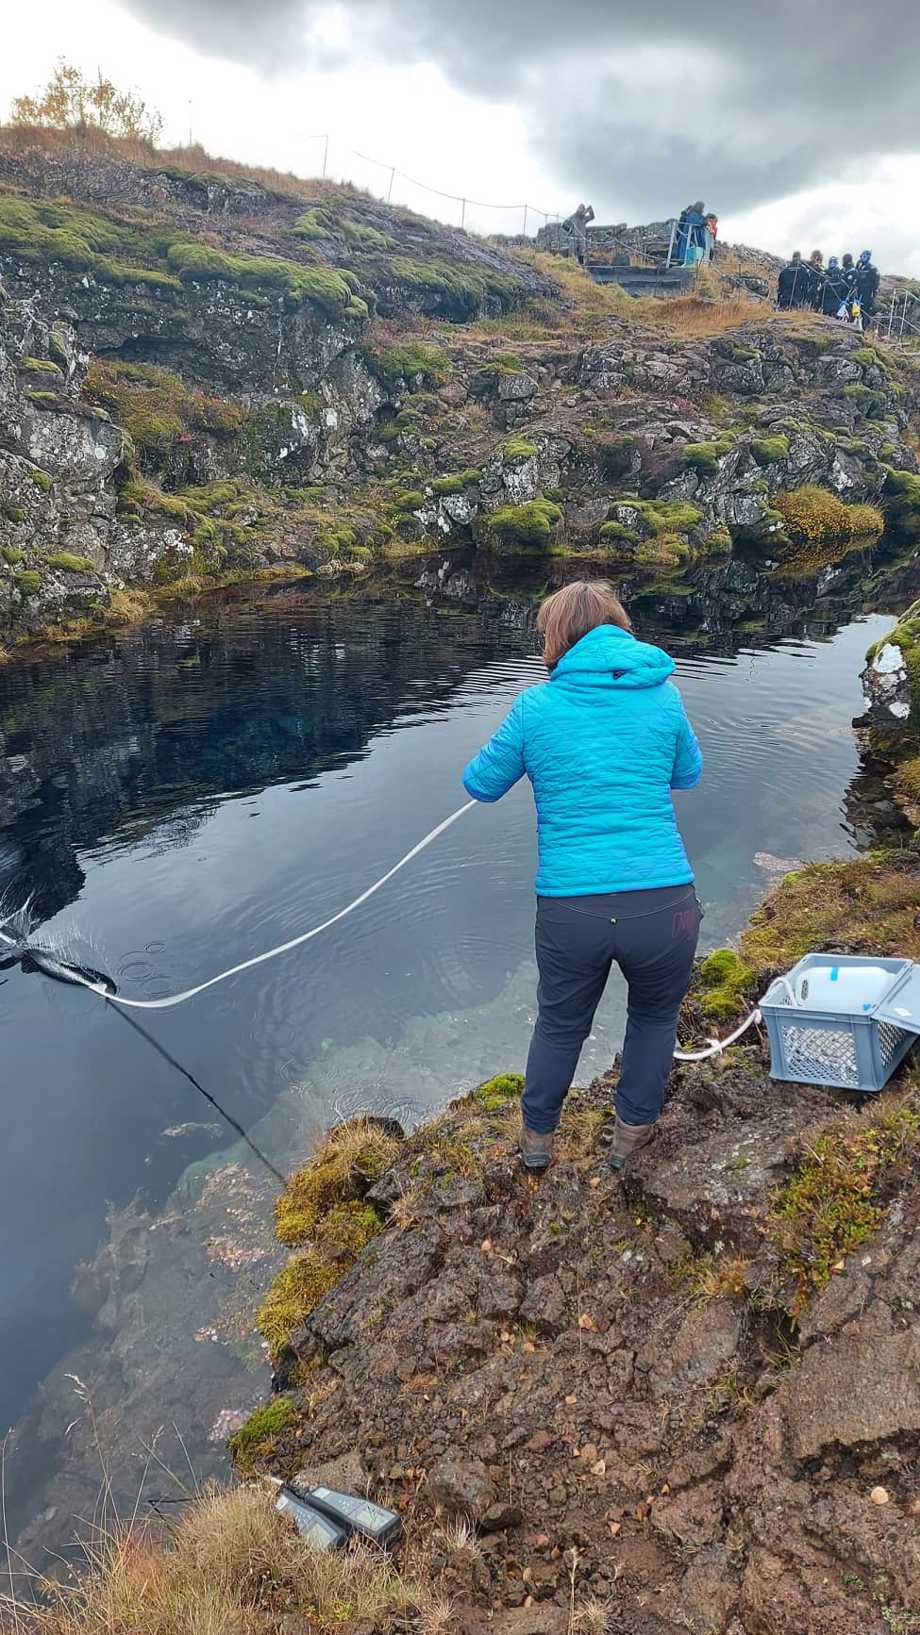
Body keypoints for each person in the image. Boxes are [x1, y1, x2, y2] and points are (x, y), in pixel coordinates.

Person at [462, 580, 703, 1174]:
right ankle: (629, 1142)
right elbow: (688, 774)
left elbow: (480, 784)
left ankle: (537, 1143)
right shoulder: (665, 696)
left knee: (561, 1023)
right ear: (619, 629)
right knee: (653, 1018)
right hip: (665, 904)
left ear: (556, 637)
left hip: (573, 910)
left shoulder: (535, 707)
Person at [856, 249, 880, 319]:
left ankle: (863, 326)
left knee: (864, 311)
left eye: (864, 256)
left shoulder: (872, 269)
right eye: (862, 256)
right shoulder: (859, 266)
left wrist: (874, 293)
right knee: (855, 308)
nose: (862, 258)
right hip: (858, 291)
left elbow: (876, 283)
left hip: (867, 293)